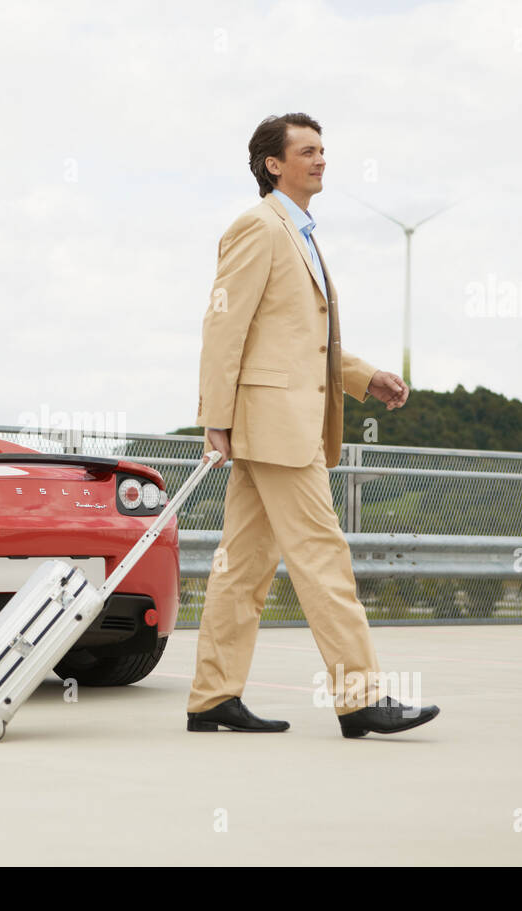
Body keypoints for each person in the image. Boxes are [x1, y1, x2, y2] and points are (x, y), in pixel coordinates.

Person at [188, 112, 439, 738]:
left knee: (240, 568)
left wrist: (364, 377)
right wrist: (214, 419)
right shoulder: (259, 227)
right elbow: (224, 327)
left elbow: (302, 341)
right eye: (307, 151)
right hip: (274, 426)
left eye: (324, 149)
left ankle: (212, 697)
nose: (321, 159)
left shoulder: (300, 233)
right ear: (274, 164)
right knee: (325, 560)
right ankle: (361, 700)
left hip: (277, 423)